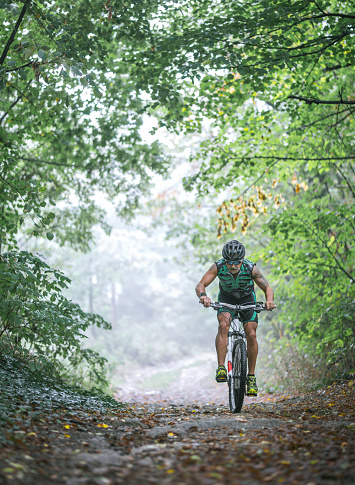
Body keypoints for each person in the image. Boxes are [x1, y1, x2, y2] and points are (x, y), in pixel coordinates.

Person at [195, 240, 276, 396]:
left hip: (247, 300)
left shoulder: (250, 268)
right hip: (226, 299)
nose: (233, 266)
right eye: (229, 262)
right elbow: (200, 284)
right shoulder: (218, 266)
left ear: (242, 260)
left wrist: (269, 301)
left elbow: (267, 288)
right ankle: (221, 368)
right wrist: (203, 296)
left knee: (251, 333)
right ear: (225, 260)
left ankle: (251, 378)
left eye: (236, 262)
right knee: (223, 325)